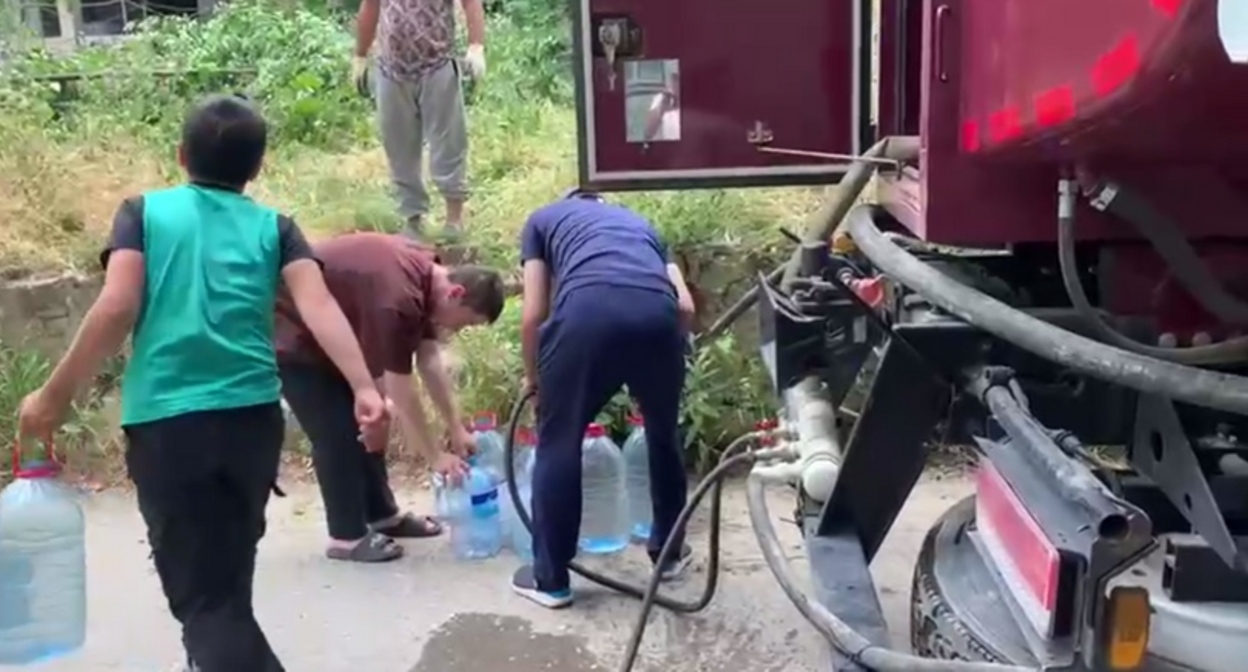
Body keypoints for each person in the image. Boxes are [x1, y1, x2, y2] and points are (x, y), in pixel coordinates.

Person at [16, 95, 386, 672]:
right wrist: (364, 386)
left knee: (204, 600)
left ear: (182, 156)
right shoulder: (276, 227)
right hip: (252, 423)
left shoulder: (143, 213)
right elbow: (318, 305)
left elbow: (116, 308)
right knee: (227, 581)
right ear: (256, 168)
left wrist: (52, 398)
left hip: (168, 424)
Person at [511, 189, 698, 609]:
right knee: (662, 435)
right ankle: (668, 555)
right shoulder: (642, 225)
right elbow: (684, 306)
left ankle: (551, 580)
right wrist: (655, 368)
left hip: (586, 315)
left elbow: (533, 314)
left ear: (570, 200)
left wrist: (534, 377)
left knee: (559, 440)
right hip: (658, 316)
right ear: (603, 203)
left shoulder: (542, 218)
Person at [275, 232, 506, 563]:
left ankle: (382, 516)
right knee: (338, 433)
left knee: (371, 420)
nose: (457, 332)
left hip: (340, 339)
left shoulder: (428, 276)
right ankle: (346, 536)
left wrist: (455, 427)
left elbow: (428, 359)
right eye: (465, 324)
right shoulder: (396, 299)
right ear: (456, 294)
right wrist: (434, 456)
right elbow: (400, 388)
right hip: (293, 337)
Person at [352, 0, 486, 240]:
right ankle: (413, 219)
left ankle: (454, 218)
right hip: (390, 69)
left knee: (448, 142)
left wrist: (476, 45)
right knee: (399, 146)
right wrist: (360, 55)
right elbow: (370, 6)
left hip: (437, 64)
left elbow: (470, 2)